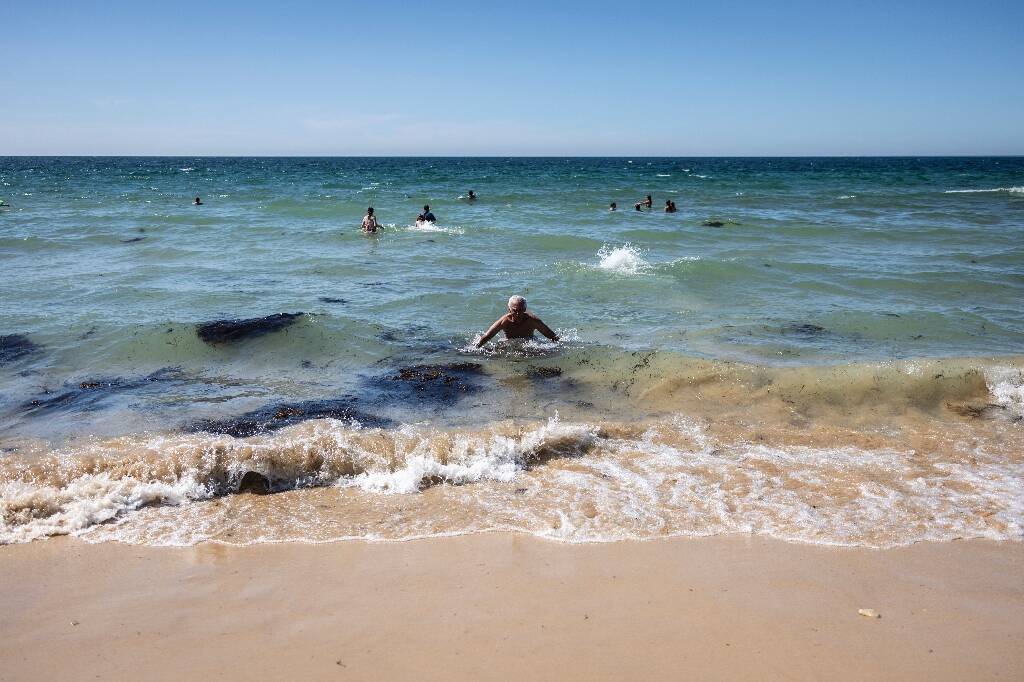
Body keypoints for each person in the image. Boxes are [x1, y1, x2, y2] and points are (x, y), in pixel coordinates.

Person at [476, 296, 559, 347]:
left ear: (525, 309)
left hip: (529, 343)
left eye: (521, 310)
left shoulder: (532, 320)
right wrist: (477, 347)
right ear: (509, 310)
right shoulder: (504, 321)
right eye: (515, 311)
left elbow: (550, 334)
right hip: (509, 344)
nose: (518, 313)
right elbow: (487, 336)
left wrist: (559, 345)